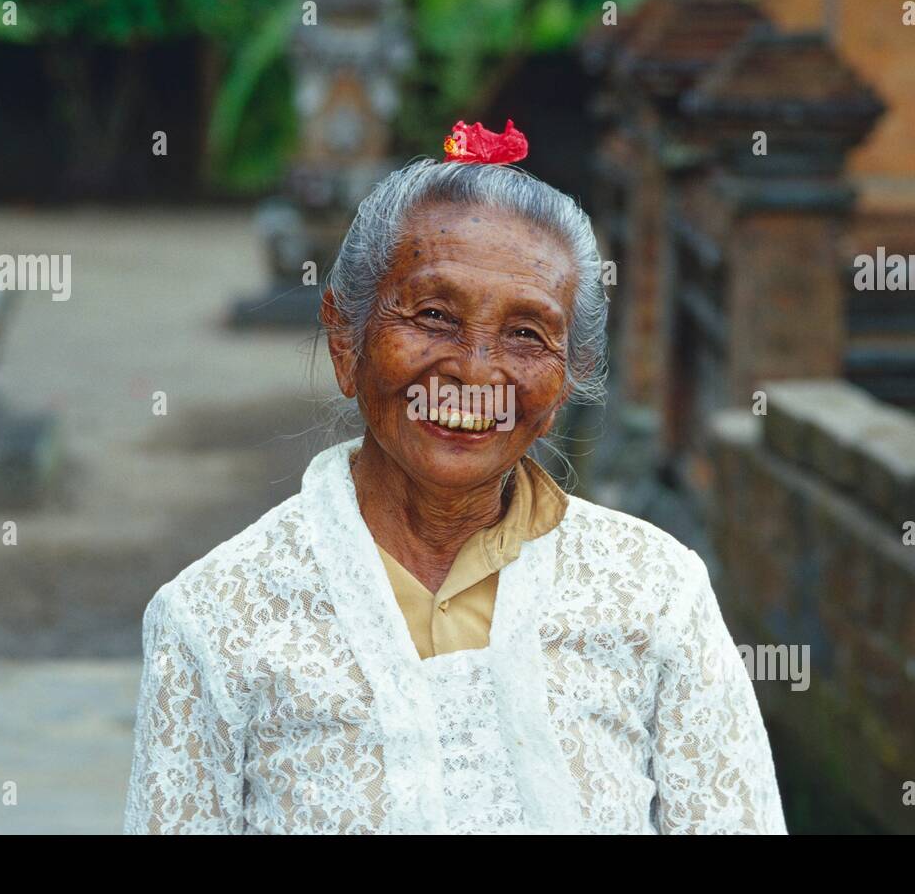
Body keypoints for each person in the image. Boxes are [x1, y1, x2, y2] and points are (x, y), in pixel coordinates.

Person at [123, 120, 787, 834]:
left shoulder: (658, 596)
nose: (475, 371)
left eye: (527, 334)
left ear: (571, 377)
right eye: (434, 315)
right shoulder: (215, 619)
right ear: (346, 340)